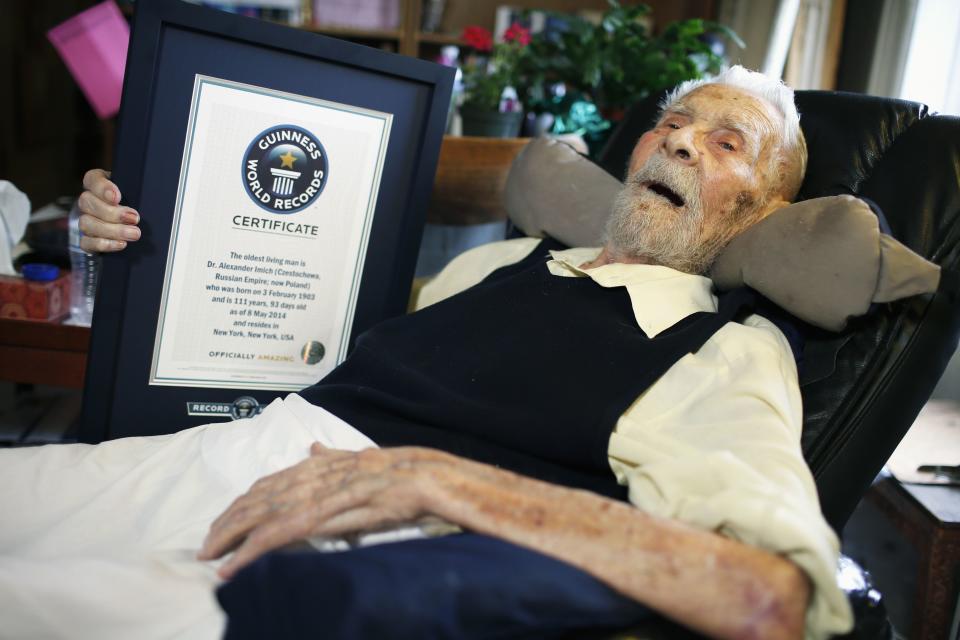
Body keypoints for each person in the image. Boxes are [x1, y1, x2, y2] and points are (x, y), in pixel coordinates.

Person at [1, 67, 853, 640]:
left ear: (761, 209)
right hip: (196, 459)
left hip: (316, 546)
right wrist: (131, 248)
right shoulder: (495, 265)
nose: (678, 142)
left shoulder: (719, 351)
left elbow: (766, 596)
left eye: (726, 143)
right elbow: (286, 330)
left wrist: (436, 478)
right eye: (672, 123)